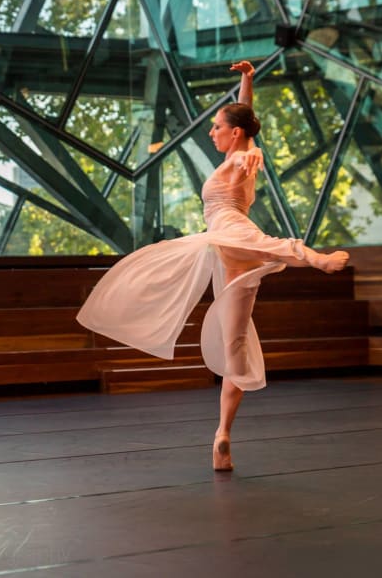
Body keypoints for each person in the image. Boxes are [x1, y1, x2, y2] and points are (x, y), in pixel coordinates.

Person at [77, 61, 349, 472]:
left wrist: (247, 158)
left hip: (228, 238)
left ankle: (320, 260)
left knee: (265, 251)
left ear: (234, 133)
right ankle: (222, 433)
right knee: (235, 346)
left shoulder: (243, 158)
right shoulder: (242, 145)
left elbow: (249, 150)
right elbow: (246, 122)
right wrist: (248, 81)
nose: (212, 132)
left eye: (217, 127)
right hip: (230, 256)